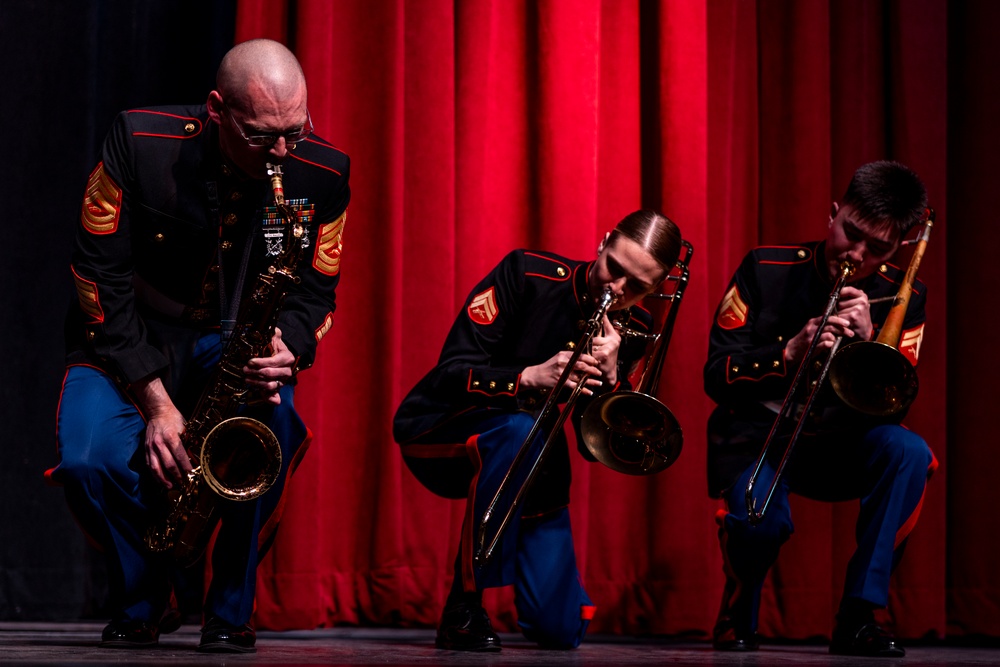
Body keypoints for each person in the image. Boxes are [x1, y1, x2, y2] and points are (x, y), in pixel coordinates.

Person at [48, 39, 350, 653]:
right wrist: (155, 401)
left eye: (298, 128)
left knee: (269, 437)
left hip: (232, 338)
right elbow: (95, 275)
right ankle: (145, 596)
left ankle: (229, 611)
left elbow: (318, 290)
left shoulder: (325, 172)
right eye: (264, 136)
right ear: (217, 109)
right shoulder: (139, 141)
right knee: (86, 460)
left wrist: (288, 344)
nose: (285, 152)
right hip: (127, 332)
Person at [393, 210, 683, 651]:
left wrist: (609, 383)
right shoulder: (526, 273)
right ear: (602, 243)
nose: (617, 291)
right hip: (441, 427)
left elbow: (596, 450)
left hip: (534, 453)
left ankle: (558, 598)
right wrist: (526, 376)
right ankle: (463, 606)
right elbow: (449, 372)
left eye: (637, 287)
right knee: (516, 427)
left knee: (559, 631)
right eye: (614, 269)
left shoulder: (636, 328)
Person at [704, 161, 935, 657]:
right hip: (760, 435)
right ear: (833, 214)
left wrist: (873, 347)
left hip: (840, 444)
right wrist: (787, 354)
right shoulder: (765, 268)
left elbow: (897, 404)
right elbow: (715, 374)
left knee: (908, 452)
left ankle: (859, 617)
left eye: (878, 249)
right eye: (849, 233)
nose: (856, 254)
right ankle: (738, 609)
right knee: (757, 516)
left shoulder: (905, 296)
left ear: (899, 249)